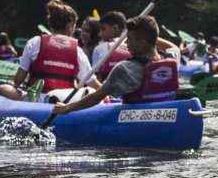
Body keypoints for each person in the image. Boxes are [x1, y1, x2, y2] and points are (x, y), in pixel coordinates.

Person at [51, 14, 184, 118]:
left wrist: (66, 108)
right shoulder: (172, 59)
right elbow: (173, 47)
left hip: (135, 122)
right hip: (167, 114)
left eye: (130, 39)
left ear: (142, 42)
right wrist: (151, 35)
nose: (126, 44)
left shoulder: (125, 68)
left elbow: (97, 97)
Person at [3, 1, 91, 100]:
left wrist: (12, 84)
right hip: (64, 102)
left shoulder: (35, 42)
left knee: (4, 88)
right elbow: (92, 83)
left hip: (36, 100)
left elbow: (18, 80)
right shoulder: (78, 50)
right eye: (75, 26)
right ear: (70, 26)